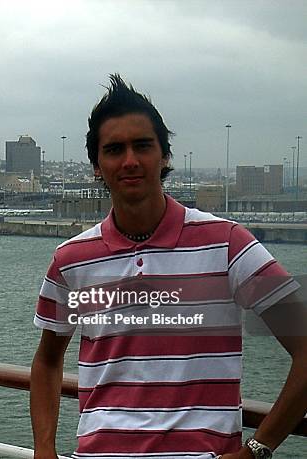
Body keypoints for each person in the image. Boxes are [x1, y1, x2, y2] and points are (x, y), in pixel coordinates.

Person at [30, 74, 306, 459]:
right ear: (96, 165)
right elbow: (46, 360)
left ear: (165, 156)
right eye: (113, 150)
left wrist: (257, 448)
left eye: (142, 146)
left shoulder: (228, 245)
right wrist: (44, 448)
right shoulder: (72, 259)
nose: (130, 161)